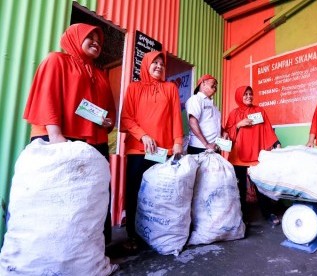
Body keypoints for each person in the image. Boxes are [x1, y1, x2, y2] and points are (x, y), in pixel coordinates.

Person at [23, 23, 116, 245]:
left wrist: (107, 122)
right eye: (89, 37)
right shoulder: (57, 60)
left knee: (95, 198)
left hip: (94, 142)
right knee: (57, 201)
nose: (96, 42)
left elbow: (108, 111)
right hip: (60, 139)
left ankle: (94, 252)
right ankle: (56, 254)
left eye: (99, 40)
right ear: (75, 38)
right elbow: (47, 94)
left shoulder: (100, 74)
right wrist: (55, 135)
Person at [120, 50, 183, 252]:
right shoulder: (134, 88)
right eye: (154, 63)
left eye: (161, 64)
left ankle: (155, 232)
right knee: (134, 192)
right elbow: (127, 117)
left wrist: (178, 143)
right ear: (145, 65)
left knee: (159, 195)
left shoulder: (170, 88)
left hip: (162, 151)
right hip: (138, 149)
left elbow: (175, 117)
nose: (158, 66)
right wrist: (143, 135)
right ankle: (131, 233)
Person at [224, 86, 281, 227]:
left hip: (256, 155)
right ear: (239, 96)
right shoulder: (234, 113)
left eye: (250, 94)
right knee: (240, 188)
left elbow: (268, 128)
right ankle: (242, 215)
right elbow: (227, 134)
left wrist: (276, 143)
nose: (249, 96)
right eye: (245, 94)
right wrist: (238, 124)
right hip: (238, 156)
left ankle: (268, 213)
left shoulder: (259, 111)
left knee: (261, 186)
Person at [185, 74, 224, 154]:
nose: (216, 85)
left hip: (214, 148)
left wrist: (224, 132)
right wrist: (206, 144)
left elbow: (215, 124)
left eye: (216, 84)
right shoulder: (196, 99)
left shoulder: (213, 105)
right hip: (200, 148)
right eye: (213, 82)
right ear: (203, 83)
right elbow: (192, 122)